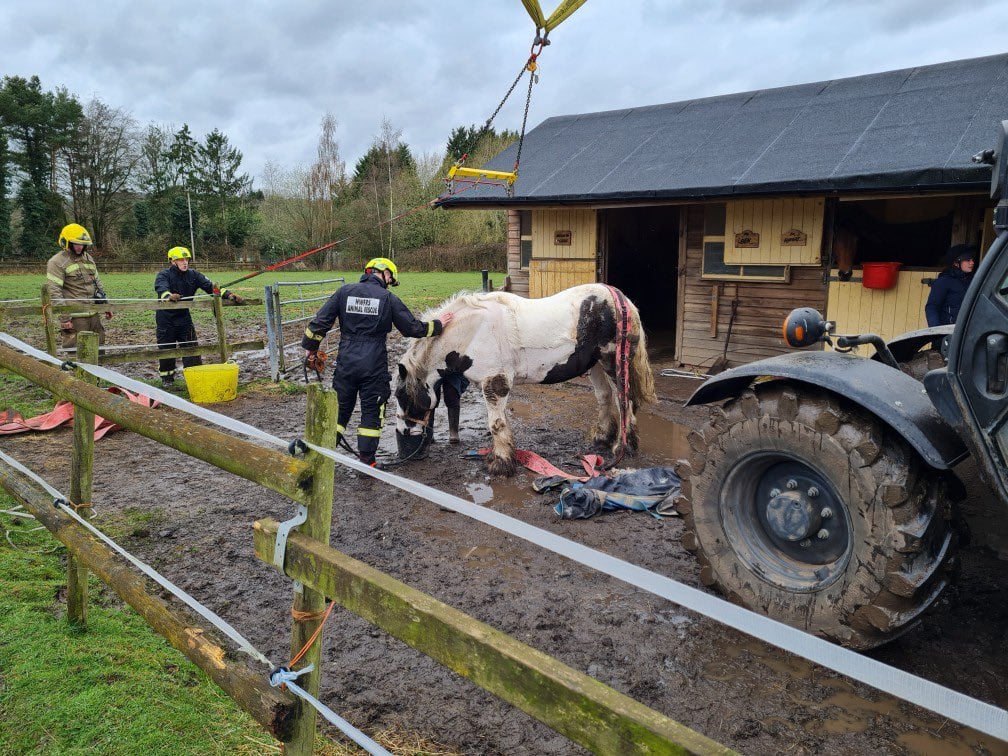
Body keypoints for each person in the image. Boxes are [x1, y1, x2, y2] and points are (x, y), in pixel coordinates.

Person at [301, 257, 454, 468]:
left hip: (346, 361)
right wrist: (437, 325)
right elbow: (412, 329)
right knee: (372, 411)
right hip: (373, 363)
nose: (390, 281)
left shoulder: (343, 292)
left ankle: (321, 458)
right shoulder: (388, 298)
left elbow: (319, 323)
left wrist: (311, 348)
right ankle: (367, 462)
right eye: (390, 278)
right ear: (385, 273)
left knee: (340, 410)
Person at [154, 246, 244, 388]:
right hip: (166, 320)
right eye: (181, 260)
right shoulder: (163, 275)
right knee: (167, 350)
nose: (185, 262)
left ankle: (194, 378)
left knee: (191, 349)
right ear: (172, 261)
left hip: (184, 318)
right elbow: (161, 289)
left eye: (186, 259)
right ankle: (167, 380)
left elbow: (211, 287)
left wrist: (229, 295)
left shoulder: (194, 275)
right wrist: (169, 296)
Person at [46, 223, 113, 348]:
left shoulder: (88, 258)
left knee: (99, 349)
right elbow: (54, 292)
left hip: (93, 314)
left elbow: (97, 284)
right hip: (75, 317)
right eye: (76, 243)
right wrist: (65, 318)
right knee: (76, 353)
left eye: (82, 244)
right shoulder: (57, 262)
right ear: (66, 242)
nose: (80, 247)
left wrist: (105, 305)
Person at [925, 244, 977, 327]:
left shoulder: (973, 280)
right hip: (948, 332)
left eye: (972, 259)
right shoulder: (944, 281)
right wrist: (937, 332)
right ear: (956, 263)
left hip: (967, 331)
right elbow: (932, 307)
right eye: (967, 260)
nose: (972, 262)